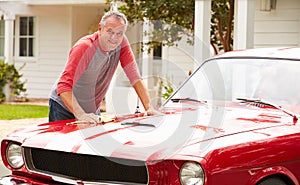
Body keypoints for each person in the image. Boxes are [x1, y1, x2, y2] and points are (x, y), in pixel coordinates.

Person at [49, 11, 152, 124]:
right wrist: (81, 114)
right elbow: (64, 86)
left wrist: (149, 108)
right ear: (100, 28)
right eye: (110, 31)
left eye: (119, 33)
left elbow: (135, 77)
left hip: (91, 109)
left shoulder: (121, 43)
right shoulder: (84, 47)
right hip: (64, 107)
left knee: (93, 140)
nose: (114, 37)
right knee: (67, 141)